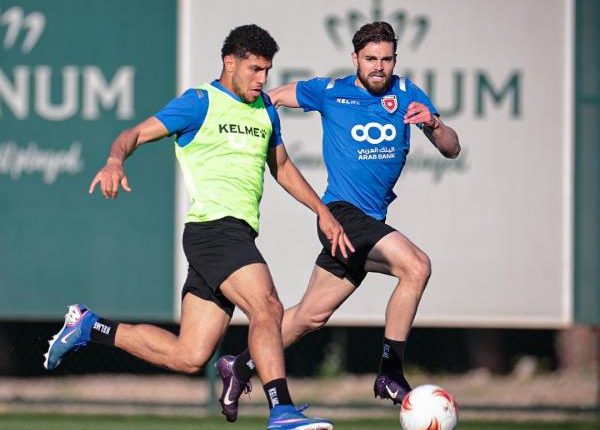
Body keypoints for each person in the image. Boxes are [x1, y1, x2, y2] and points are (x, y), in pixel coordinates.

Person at [43, 24, 353, 430]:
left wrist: (321, 210)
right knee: (268, 307)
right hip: (213, 230)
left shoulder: (265, 110)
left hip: (233, 234)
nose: (262, 80)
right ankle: (281, 409)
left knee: (189, 356)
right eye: (255, 69)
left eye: (267, 71)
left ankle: (89, 326)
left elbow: (280, 166)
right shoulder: (200, 102)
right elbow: (134, 133)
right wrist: (115, 160)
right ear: (230, 63)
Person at [215, 21, 461, 421]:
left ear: (395, 60)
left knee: (309, 317)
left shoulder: (407, 94)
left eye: (386, 59)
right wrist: (238, 119)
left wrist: (434, 124)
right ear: (355, 59)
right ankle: (390, 372)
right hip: (342, 216)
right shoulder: (330, 91)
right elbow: (273, 97)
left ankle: (239, 365)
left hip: (368, 222)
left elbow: (451, 148)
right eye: (371, 59)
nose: (379, 66)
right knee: (416, 266)